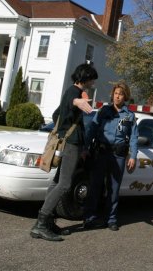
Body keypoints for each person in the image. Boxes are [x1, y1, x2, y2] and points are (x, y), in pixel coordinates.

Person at [30, 63, 98, 241]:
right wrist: (78, 102)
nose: (93, 83)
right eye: (92, 79)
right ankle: (41, 223)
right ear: (86, 77)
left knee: (57, 181)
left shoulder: (72, 91)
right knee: (65, 184)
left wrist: (64, 128)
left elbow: (55, 114)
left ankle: (48, 220)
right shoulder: (74, 92)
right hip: (71, 144)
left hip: (68, 141)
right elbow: (71, 102)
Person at [83, 82, 138, 231]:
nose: (117, 96)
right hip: (101, 153)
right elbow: (92, 129)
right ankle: (90, 218)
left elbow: (133, 137)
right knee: (95, 187)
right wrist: (85, 147)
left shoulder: (129, 116)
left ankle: (111, 219)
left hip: (118, 155)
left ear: (125, 96)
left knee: (113, 189)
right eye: (115, 93)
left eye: (120, 93)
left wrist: (133, 156)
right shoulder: (103, 111)